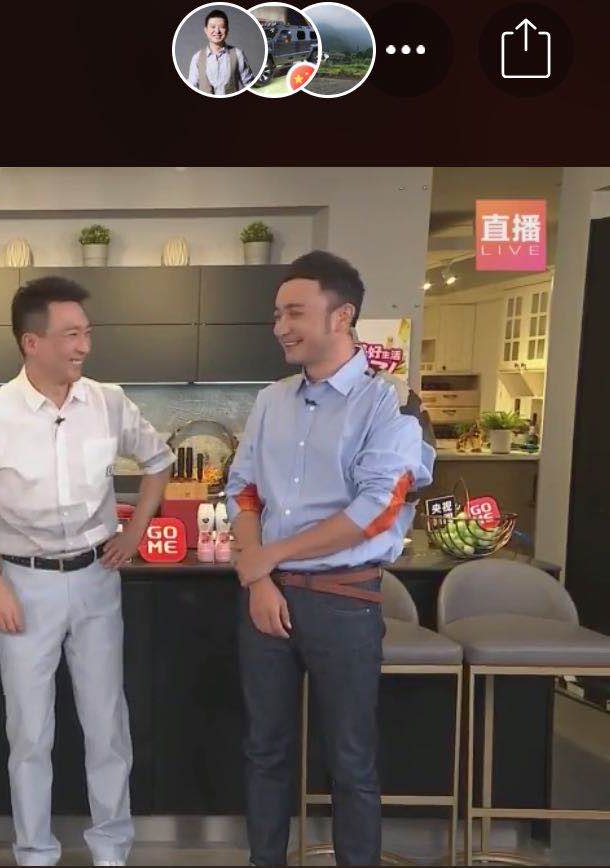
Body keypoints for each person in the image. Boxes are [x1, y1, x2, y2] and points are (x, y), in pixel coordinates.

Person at [0, 276, 175, 867]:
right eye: (71, 335)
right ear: (32, 342)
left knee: (107, 725)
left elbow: (158, 460)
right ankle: (35, 854)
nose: (84, 346)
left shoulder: (108, 401)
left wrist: (135, 531)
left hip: (97, 578)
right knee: (29, 733)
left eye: (87, 333)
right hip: (23, 584)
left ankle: (111, 852)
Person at [225, 251, 435, 866]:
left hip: (344, 602)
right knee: (264, 750)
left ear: (341, 316)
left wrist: (267, 557)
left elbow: (376, 509)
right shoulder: (271, 399)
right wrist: (260, 577)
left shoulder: (389, 403)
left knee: (350, 759)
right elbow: (244, 489)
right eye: (277, 314)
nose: (280, 327)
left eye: (294, 312)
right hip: (266, 599)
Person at [187, 8, 257, 95]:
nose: (217, 31)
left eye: (222, 27)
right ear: (206, 30)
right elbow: (192, 86)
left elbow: (250, 85)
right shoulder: (197, 57)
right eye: (213, 27)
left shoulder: (237, 54)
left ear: (227, 30)